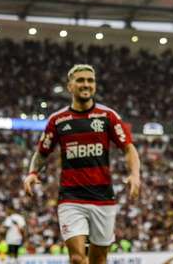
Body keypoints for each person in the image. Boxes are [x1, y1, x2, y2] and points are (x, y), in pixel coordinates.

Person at [23, 64, 142, 264]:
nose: (86, 84)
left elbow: (129, 148)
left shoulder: (107, 116)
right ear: (70, 86)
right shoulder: (58, 120)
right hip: (71, 198)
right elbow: (42, 152)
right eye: (80, 80)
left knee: (98, 260)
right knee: (78, 259)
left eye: (90, 80)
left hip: (103, 197)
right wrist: (32, 172)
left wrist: (135, 174)